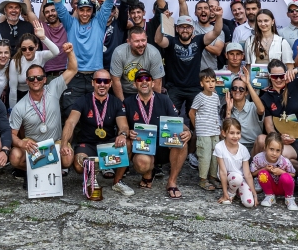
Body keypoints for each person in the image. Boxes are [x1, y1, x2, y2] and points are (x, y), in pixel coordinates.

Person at [151, 0, 223, 117]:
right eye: (182, 27)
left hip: (194, 87)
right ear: (177, 29)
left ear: (192, 29)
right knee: (170, 119)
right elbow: (158, 40)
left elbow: (216, 32)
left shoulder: (199, 40)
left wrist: (219, 16)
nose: (185, 30)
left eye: (188, 27)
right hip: (174, 88)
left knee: (196, 119)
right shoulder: (172, 41)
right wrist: (162, 22)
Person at [60, 69, 133, 196]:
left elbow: (124, 126)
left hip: (108, 144)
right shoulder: (82, 100)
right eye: (99, 81)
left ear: (110, 84)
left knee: (127, 143)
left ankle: (117, 181)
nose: (102, 84)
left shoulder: (116, 102)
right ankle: (91, 178)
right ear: (93, 83)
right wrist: (64, 143)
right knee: (78, 164)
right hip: (88, 144)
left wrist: (122, 135)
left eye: (106, 81)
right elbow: (70, 122)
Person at [53, 0, 115, 112]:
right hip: (75, 76)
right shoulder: (70, 23)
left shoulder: (99, 22)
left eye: (88, 10)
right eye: (82, 10)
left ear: (92, 11)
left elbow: (109, 0)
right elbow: (58, 4)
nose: (85, 13)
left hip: (96, 78)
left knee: (98, 114)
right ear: (77, 10)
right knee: (70, 113)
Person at [8, 45, 78, 173]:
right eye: (31, 78)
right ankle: (46, 169)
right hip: (33, 144)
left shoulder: (53, 88)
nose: (36, 80)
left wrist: (70, 52)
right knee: (14, 156)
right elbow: (12, 134)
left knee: (68, 159)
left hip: (55, 142)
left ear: (45, 79)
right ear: (27, 81)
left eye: (39, 77)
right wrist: (21, 143)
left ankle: (40, 168)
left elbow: (73, 69)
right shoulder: (19, 106)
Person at [124, 70, 190, 198]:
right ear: (134, 84)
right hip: (143, 146)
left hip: (164, 145)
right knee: (141, 163)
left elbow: (178, 123)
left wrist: (188, 132)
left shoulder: (164, 99)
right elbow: (123, 127)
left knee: (182, 141)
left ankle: (172, 182)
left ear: (153, 83)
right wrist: (128, 132)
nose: (144, 82)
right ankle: (148, 173)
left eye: (147, 79)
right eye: (140, 80)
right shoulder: (128, 102)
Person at [256, 59, 298, 166]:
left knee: (280, 154)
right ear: (270, 77)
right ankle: (259, 171)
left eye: (282, 76)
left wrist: (296, 70)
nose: (279, 79)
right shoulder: (266, 97)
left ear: (286, 74)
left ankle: (293, 165)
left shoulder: (295, 85)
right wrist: (279, 138)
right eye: (275, 76)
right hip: (281, 141)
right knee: (261, 140)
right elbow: (269, 127)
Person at [22, 0, 69, 83]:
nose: (50, 14)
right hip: (49, 75)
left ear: (58, 11)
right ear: (44, 15)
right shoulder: (42, 28)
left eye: (53, 10)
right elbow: (29, 11)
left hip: (67, 73)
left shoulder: (68, 26)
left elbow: (78, 9)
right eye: (47, 12)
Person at [6, 28, 60, 107]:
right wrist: (12, 109)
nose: (27, 51)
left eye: (30, 48)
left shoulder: (41, 56)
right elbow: (13, 89)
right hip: (21, 95)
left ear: (36, 46)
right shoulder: (15, 62)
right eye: (24, 49)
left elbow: (56, 52)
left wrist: (43, 38)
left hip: (38, 92)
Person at [189, 72, 224, 191]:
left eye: (213, 81)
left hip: (214, 131)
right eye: (207, 81)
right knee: (205, 155)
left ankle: (213, 177)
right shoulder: (199, 97)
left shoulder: (215, 97)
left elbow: (216, 113)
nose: (211, 84)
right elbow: (191, 113)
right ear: (201, 83)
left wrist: (219, 127)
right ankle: (203, 179)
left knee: (215, 155)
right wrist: (197, 127)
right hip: (203, 132)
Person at [110, 27, 165, 100]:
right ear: (128, 42)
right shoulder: (119, 52)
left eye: (143, 40)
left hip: (147, 92)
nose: (141, 44)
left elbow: (157, 82)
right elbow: (115, 80)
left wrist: (154, 102)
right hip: (126, 91)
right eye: (137, 41)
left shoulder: (154, 53)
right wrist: (123, 103)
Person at [215, 117, 256, 207]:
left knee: (249, 203)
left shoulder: (243, 149)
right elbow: (222, 172)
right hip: (228, 177)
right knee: (237, 178)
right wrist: (225, 193)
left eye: (238, 133)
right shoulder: (219, 147)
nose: (235, 136)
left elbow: (247, 174)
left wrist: (254, 194)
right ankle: (230, 193)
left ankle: (237, 191)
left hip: (240, 178)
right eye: (232, 133)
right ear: (224, 133)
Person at [251, 133, 297, 210]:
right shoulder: (258, 158)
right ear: (265, 147)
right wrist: (265, 169)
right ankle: (270, 196)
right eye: (271, 149)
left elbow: (293, 174)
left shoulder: (284, 161)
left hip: (283, 188)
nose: (274, 153)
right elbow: (253, 173)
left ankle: (289, 199)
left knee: (285, 176)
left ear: (281, 150)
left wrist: (281, 172)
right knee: (262, 174)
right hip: (270, 187)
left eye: (278, 150)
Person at [226, 72, 263, 153]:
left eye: (241, 89)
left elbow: (261, 110)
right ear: (231, 91)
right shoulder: (226, 107)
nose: (237, 90)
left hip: (253, 146)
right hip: (234, 144)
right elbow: (225, 132)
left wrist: (248, 84)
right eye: (234, 88)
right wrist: (228, 110)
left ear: (246, 92)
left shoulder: (253, 106)